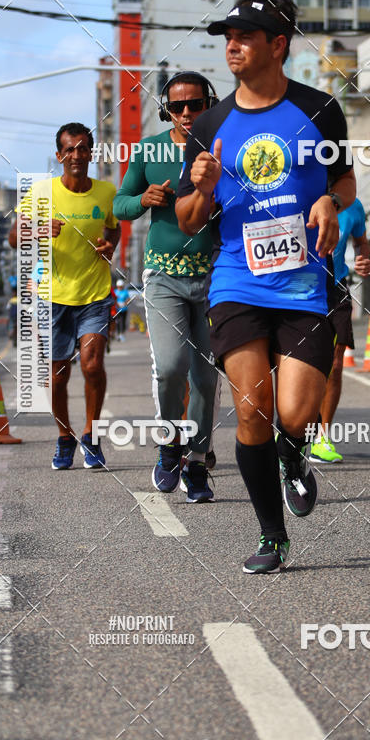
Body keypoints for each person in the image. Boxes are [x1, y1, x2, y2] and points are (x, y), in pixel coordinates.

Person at [176, 0, 356, 573]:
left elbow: (346, 182)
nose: (232, 44)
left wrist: (329, 198)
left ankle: (295, 456)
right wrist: (201, 187)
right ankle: (271, 535)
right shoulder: (209, 122)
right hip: (236, 281)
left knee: (295, 415)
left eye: (246, 35)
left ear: (278, 46)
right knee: (252, 409)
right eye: (228, 35)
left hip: (305, 283)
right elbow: (188, 220)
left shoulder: (321, 109)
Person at [113, 71, 221, 503]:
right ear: (166, 110)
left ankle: (196, 464)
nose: (187, 114)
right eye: (178, 107)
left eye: (195, 104)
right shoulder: (149, 149)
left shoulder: (223, 145)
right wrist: (143, 201)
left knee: (207, 378)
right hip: (163, 278)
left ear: (208, 104)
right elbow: (120, 205)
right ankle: (169, 444)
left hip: (215, 276)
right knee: (172, 367)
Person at [9, 122, 120, 470]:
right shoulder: (42, 192)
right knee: (58, 374)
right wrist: (40, 228)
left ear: (92, 153)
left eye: (83, 148)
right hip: (53, 296)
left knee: (92, 364)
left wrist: (109, 246)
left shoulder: (106, 192)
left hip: (94, 293)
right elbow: (14, 237)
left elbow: (113, 229)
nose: (76, 154)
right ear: (59, 155)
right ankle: (64, 436)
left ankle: (91, 435)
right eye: (69, 149)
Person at [312, 197, 370, 463]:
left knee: (335, 365)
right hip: (299, 286)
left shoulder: (353, 206)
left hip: (337, 286)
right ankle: (292, 430)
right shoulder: (303, 189)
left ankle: (322, 438)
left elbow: (362, 242)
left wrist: (363, 260)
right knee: (298, 362)